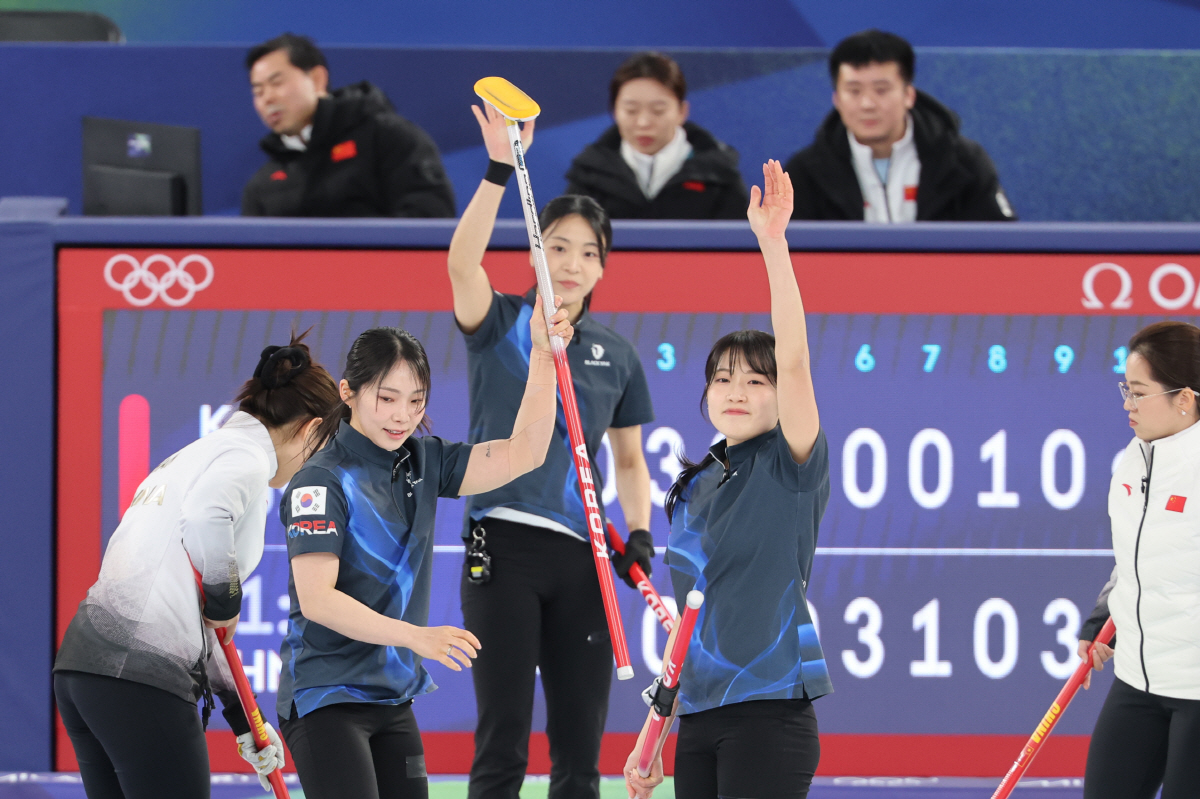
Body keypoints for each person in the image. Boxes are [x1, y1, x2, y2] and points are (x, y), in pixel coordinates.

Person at [276, 307, 572, 799]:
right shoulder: (320, 482)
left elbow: (526, 452)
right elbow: (319, 601)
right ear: (348, 393)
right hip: (327, 696)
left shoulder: (425, 460)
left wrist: (542, 353)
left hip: (394, 698)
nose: (402, 415)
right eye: (386, 398)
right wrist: (416, 637)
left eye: (416, 401)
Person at [450, 102, 656, 799]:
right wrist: (498, 169)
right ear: (537, 251)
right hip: (500, 548)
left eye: (589, 251)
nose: (572, 262)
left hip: (585, 559)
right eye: (559, 245)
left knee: (578, 753)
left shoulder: (617, 355)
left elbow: (628, 462)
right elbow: (460, 261)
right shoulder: (499, 319)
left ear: (604, 267)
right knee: (502, 740)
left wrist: (638, 533)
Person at [54, 335, 339, 798]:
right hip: (137, 676)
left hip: (86, 673)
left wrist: (246, 722)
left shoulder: (195, 456)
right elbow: (207, 521)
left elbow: (195, 622)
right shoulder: (245, 460)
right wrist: (226, 596)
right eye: (324, 446)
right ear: (311, 429)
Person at [625, 160, 831, 799]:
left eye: (755, 380)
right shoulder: (690, 490)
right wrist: (652, 732)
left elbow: (794, 359)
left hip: (772, 711)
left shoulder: (790, 463)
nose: (736, 391)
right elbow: (690, 632)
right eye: (723, 378)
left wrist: (774, 244)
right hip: (700, 719)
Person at [1076, 320, 1200, 799]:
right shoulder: (1133, 460)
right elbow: (1133, 562)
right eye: (1125, 389)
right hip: (1139, 681)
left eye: (1139, 392)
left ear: (1184, 398)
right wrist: (1101, 620)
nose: (1127, 404)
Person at [784, 29, 1016, 222]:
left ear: (908, 95)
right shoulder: (805, 173)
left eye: (881, 90)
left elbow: (1001, 244)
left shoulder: (963, 162)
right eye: (854, 91)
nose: (867, 104)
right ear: (836, 100)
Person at [241, 33, 455, 218]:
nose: (266, 99)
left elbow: (430, 215)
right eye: (258, 91)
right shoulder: (262, 184)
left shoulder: (387, 137)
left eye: (277, 83)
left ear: (317, 79)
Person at [564, 52, 749, 220]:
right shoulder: (589, 174)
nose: (643, 122)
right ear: (614, 111)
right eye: (631, 110)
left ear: (682, 112)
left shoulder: (718, 175)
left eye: (658, 111)